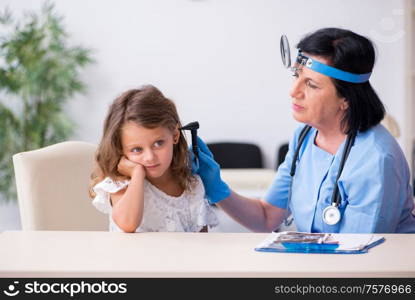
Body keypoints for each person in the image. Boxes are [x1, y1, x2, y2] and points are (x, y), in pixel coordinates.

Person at [192, 27, 415, 233]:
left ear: (346, 98)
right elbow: (267, 217)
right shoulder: (305, 136)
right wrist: (216, 187)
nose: (293, 91)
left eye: (311, 84)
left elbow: (357, 256)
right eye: (296, 76)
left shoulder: (375, 160)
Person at [90, 85, 218, 233]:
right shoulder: (120, 184)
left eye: (158, 143)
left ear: (175, 136)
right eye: (137, 149)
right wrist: (137, 173)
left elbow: (202, 241)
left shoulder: (192, 185)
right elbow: (128, 224)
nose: (150, 157)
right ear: (121, 149)